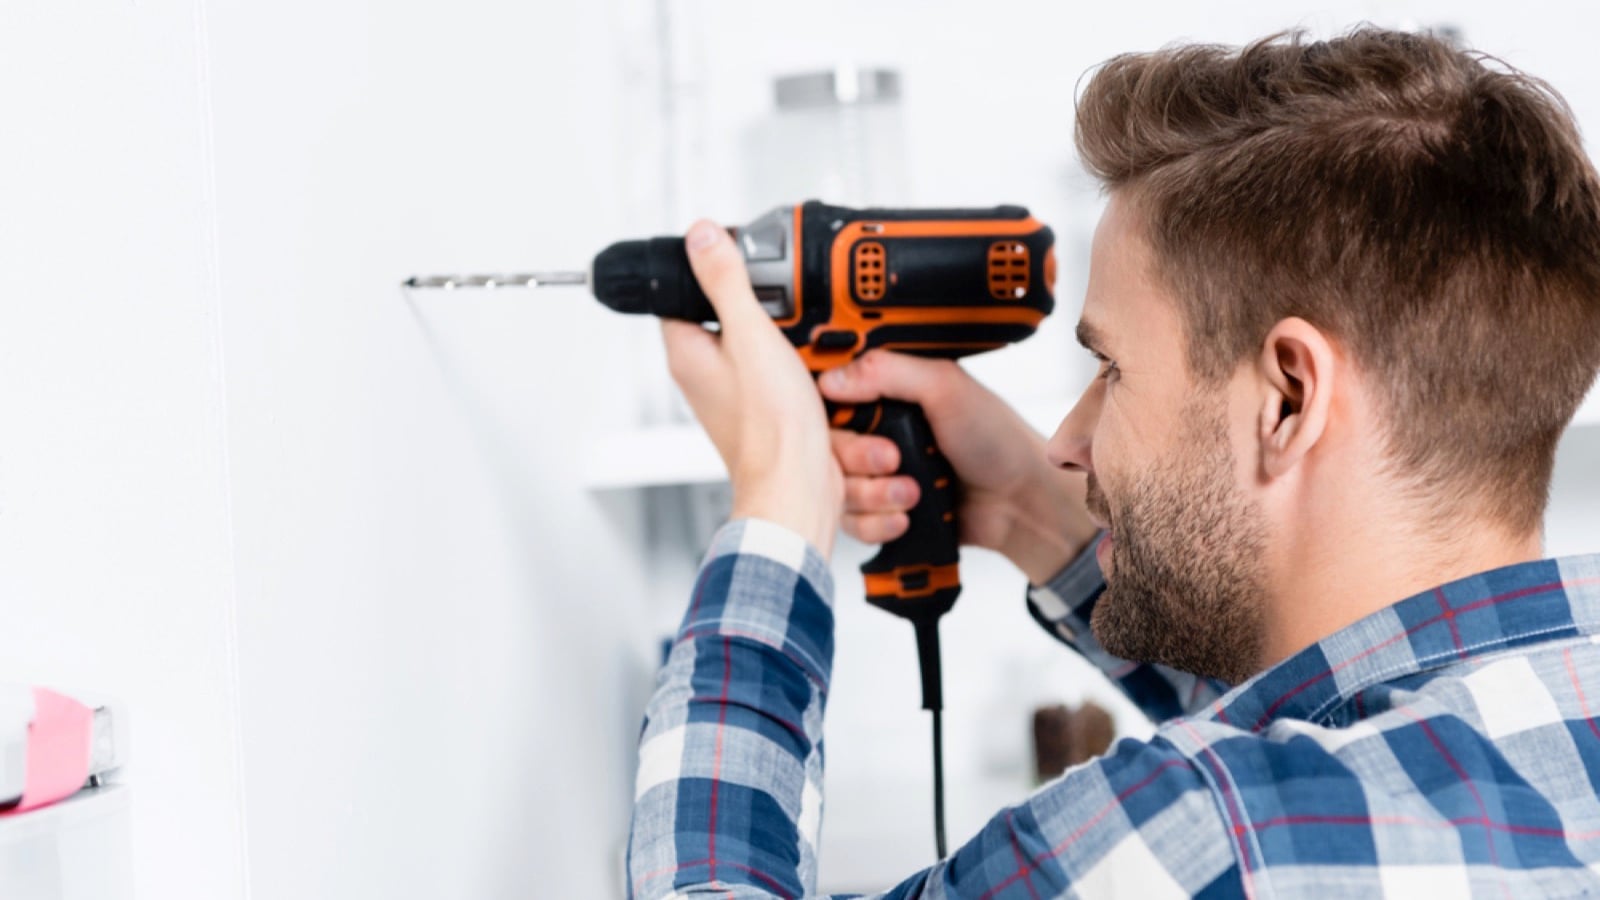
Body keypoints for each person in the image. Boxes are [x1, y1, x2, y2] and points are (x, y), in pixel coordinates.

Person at [626, 27, 1600, 898]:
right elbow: (1350, 724)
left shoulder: (1212, 836)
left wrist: (774, 508)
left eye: (1111, 368)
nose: (1063, 442)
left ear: (1289, 397)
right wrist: (1024, 511)